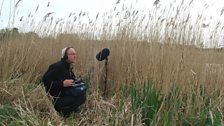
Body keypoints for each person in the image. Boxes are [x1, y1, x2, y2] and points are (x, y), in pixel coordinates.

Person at [42, 47, 86, 117]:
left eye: (75, 54)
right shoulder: (57, 66)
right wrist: (62, 84)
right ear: (65, 56)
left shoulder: (68, 67)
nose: (75, 56)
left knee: (82, 92)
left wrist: (76, 81)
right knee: (81, 97)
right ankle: (64, 112)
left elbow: (67, 80)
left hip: (64, 94)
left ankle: (70, 109)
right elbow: (45, 80)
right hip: (56, 99)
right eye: (72, 54)